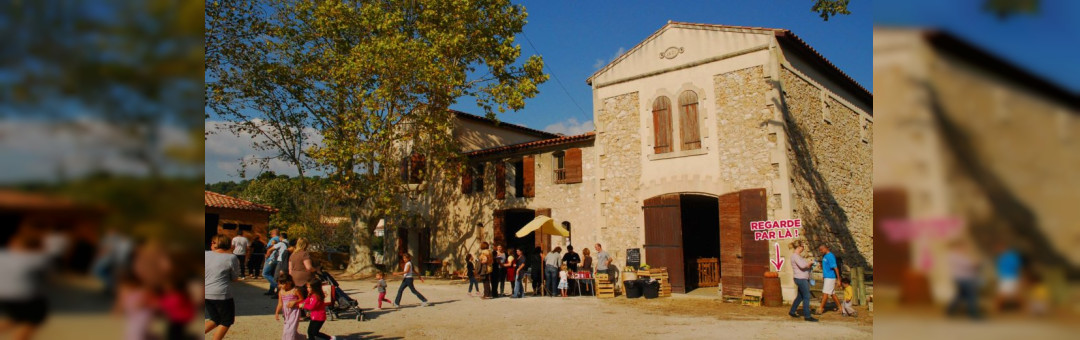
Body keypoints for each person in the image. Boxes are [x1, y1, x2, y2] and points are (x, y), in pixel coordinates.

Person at [205, 234, 242, 339]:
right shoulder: (231, 257)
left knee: (215, 319)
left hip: (205, 292)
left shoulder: (205, 254)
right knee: (226, 321)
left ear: (217, 244)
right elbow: (234, 278)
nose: (211, 244)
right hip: (221, 293)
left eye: (213, 242)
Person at [946, 239, 981, 319]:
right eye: (962, 247)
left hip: (962, 278)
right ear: (957, 247)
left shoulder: (958, 256)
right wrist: (976, 264)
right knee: (971, 296)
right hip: (965, 279)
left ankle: (950, 310)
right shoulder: (956, 256)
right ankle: (973, 313)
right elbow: (970, 265)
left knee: (960, 296)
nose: (965, 248)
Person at [787, 240, 818, 322]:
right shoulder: (795, 256)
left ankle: (792, 311)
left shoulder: (798, 256)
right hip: (801, 278)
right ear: (799, 247)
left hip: (801, 278)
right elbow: (802, 266)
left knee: (800, 296)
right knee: (806, 296)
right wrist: (810, 263)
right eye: (802, 246)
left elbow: (803, 266)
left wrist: (809, 264)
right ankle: (807, 315)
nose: (803, 248)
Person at [995, 242, 1023, 312]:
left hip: (1008, 277)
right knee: (1015, 294)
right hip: (1008, 277)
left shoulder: (1009, 256)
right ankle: (998, 309)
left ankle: (997, 310)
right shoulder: (1002, 257)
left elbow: (1018, 267)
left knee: (1003, 294)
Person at [274, 273, 302, 340]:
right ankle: (300, 338)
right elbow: (280, 303)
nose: (280, 286)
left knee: (290, 329)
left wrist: (295, 302)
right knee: (287, 327)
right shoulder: (281, 292)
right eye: (279, 284)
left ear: (289, 282)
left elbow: (301, 299)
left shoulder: (295, 290)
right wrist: (277, 312)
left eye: (282, 284)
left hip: (294, 312)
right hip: (286, 313)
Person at [817, 244, 842, 314]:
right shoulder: (825, 256)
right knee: (832, 293)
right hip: (827, 277)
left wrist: (838, 279)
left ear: (825, 248)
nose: (821, 252)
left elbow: (835, 268)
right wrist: (824, 275)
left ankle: (821, 308)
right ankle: (840, 308)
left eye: (821, 250)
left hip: (830, 277)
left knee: (825, 293)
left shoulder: (830, 256)